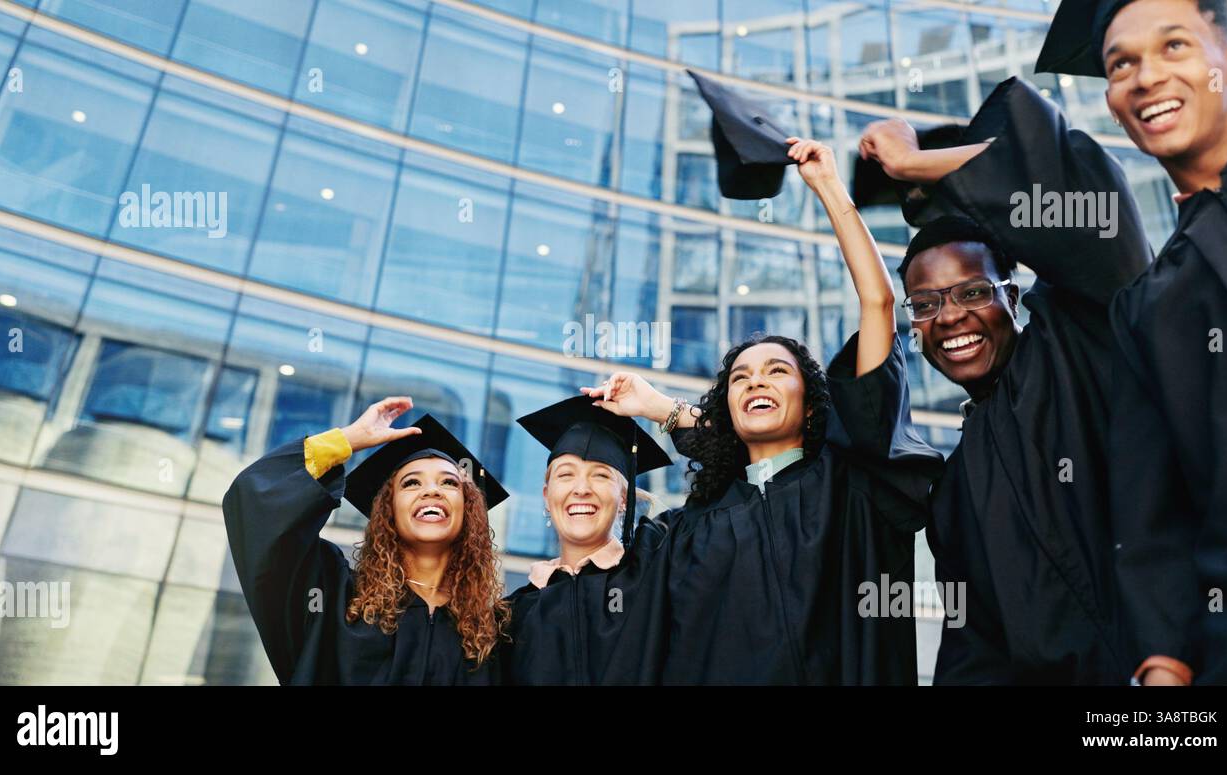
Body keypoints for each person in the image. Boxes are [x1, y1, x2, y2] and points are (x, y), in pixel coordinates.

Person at [583, 132, 944, 684]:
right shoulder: (691, 530)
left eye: (778, 371)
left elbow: (879, 303)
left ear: (810, 400)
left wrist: (827, 186)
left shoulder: (846, 482)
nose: (757, 382)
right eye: (741, 377)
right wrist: (657, 407)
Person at [855, 75, 1152, 683]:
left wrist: (915, 162)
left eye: (973, 291)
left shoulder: (1079, 342)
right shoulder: (956, 489)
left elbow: (1094, 210)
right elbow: (977, 650)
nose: (953, 316)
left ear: (1014, 296)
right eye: (927, 303)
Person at [1040, 0, 1227, 685]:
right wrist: (1164, 666)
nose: (1144, 77)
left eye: (1174, 47)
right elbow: (1152, 518)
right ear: (1111, 101)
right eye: (1121, 64)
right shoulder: (1146, 306)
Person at [223, 397, 509, 685]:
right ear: (388, 510)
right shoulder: (331, 599)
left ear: (469, 509)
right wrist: (347, 440)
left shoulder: (493, 633)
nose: (432, 491)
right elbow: (255, 504)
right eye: (411, 483)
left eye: (449, 482)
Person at [500, 395, 673, 685]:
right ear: (547, 496)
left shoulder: (657, 571)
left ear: (622, 499)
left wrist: (664, 409)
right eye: (566, 475)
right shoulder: (512, 615)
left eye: (601, 475)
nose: (581, 489)